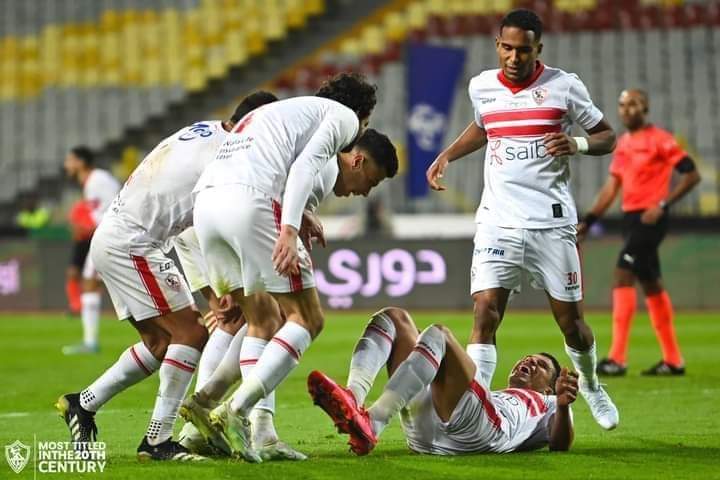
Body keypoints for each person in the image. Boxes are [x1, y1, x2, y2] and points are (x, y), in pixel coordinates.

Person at [56, 92, 277, 462]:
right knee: (191, 333)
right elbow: (198, 227)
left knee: (160, 343)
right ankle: (157, 440)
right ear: (255, 125)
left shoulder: (205, 130)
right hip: (133, 243)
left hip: (121, 236)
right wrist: (217, 287)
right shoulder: (225, 158)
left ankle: (83, 403)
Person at [426, 9, 618, 430]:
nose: (514, 57)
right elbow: (484, 128)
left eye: (524, 50)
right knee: (485, 312)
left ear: (538, 49)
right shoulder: (482, 86)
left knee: (571, 325)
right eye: (508, 48)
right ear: (498, 45)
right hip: (498, 221)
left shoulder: (563, 87)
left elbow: (608, 136)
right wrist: (447, 155)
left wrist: (577, 143)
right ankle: (475, 408)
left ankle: (590, 383)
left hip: (551, 222)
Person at [192, 72, 398, 461]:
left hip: (206, 204)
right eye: (370, 182)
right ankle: (236, 411)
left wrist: (300, 215)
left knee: (262, 318)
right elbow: (304, 168)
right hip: (250, 202)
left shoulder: (285, 113)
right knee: (307, 318)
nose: (364, 192)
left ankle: (209, 409)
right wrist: (288, 229)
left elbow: (281, 168)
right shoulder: (342, 119)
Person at [308, 307, 578, 455]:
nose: (529, 362)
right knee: (394, 317)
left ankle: (373, 422)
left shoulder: (548, 402)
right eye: (527, 358)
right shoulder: (498, 395)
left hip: (481, 432)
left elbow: (560, 445)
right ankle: (353, 398)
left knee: (439, 334)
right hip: (425, 437)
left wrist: (563, 405)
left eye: (541, 365)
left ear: (548, 387)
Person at [578, 89, 701, 376]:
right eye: (622, 105)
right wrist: (590, 219)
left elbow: (692, 174)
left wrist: (663, 204)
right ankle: (673, 360)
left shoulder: (661, 139)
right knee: (651, 283)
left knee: (623, 272)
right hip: (631, 219)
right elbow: (611, 187)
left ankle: (617, 358)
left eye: (632, 104)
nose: (626, 110)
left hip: (651, 218)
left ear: (645, 108)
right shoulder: (623, 143)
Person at [62, 146, 121, 354]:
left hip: (112, 235)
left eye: (70, 160)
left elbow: (117, 207)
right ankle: (90, 342)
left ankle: (90, 342)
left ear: (80, 162)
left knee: (92, 283)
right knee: (91, 283)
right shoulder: (93, 182)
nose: (66, 165)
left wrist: (85, 225)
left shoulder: (97, 180)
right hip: (107, 235)